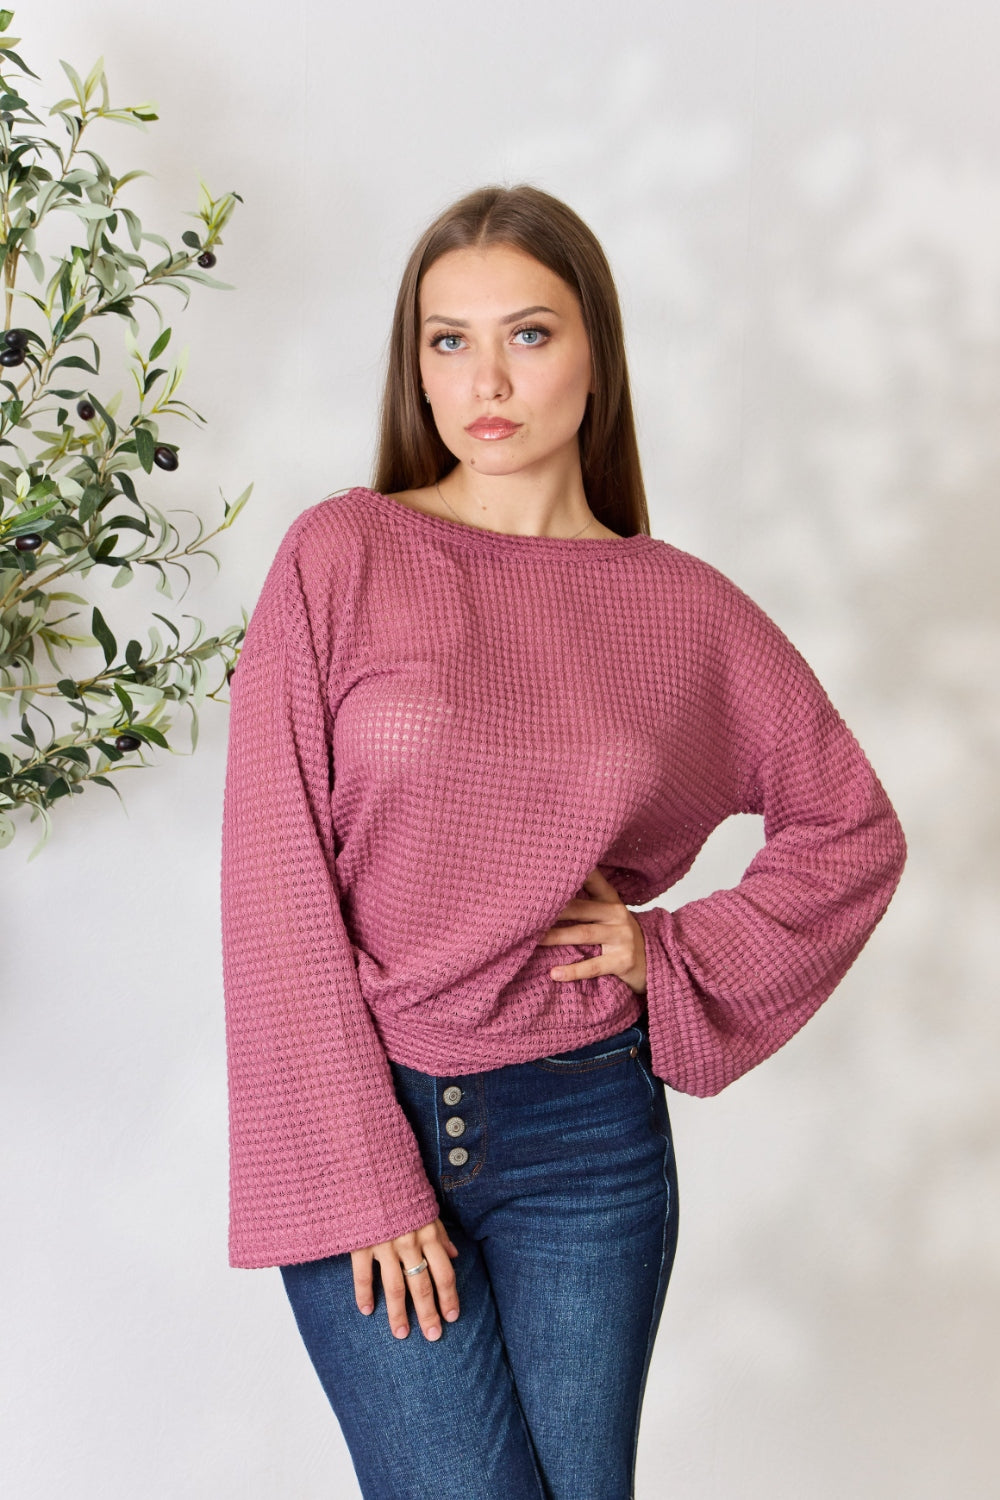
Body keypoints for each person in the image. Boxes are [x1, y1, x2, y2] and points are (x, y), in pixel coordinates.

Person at [219, 183, 906, 1500]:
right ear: (414, 366)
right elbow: (273, 889)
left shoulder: (679, 610)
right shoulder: (341, 556)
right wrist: (367, 1171)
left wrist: (669, 952)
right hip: (377, 1117)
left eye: (528, 335)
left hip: (587, 1141)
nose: (485, 378)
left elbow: (850, 828)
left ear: (595, 352)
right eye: (447, 340)